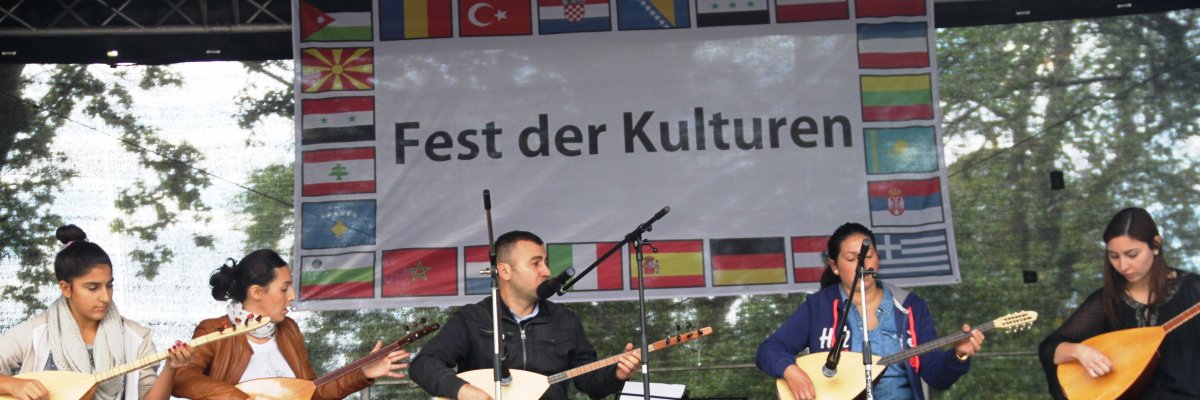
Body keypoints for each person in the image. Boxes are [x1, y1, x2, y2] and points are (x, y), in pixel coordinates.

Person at [756, 222, 984, 400]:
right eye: (851, 258)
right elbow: (768, 349)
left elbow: (937, 376)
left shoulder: (911, 307)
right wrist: (790, 371)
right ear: (835, 266)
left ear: (878, 258)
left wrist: (958, 355)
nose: (863, 264)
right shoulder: (819, 307)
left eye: (869, 255)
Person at [410, 230, 643, 400]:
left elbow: (590, 384)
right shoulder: (472, 319)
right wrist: (463, 391)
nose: (547, 271)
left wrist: (616, 373)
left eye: (546, 262)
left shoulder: (566, 320)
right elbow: (423, 364)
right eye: (536, 263)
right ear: (504, 270)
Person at [171, 249, 409, 399]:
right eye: (284, 288)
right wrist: (236, 397)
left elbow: (311, 392)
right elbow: (180, 378)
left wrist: (361, 373)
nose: (293, 295)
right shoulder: (214, 330)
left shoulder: (289, 330)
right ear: (256, 292)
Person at [0, 224, 191, 400]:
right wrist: (12, 384)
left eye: (109, 286)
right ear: (66, 288)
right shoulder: (34, 333)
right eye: (93, 288)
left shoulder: (137, 337)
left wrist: (170, 368)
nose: (105, 297)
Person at [1038, 207, 1200, 399]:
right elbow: (1049, 349)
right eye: (1114, 256)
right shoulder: (1109, 300)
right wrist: (1078, 351)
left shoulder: (1194, 290)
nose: (1123, 266)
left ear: (1156, 245)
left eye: (1132, 255)